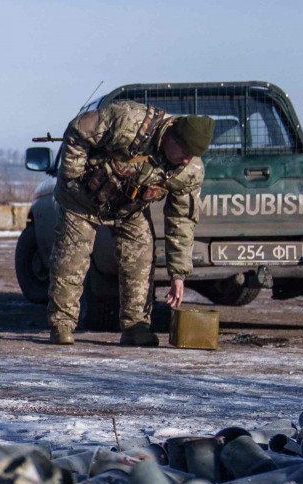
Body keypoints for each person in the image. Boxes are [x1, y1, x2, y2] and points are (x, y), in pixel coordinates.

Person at [46, 103, 214, 347]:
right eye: (184, 150)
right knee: (71, 259)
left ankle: (136, 328)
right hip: (81, 200)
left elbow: (181, 221)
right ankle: (62, 326)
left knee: (141, 258)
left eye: (193, 155)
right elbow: (78, 130)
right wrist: (73, 176)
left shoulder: (189, 170)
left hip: (129, 210)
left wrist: (178, 274)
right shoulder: (129, 120)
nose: (187, 159)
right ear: (171, 134)